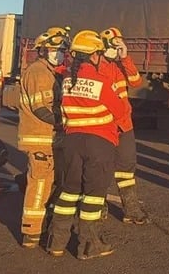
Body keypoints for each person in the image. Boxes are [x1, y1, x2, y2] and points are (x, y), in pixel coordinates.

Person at [44, 30, 125, 259]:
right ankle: (89, 246)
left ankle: (56, 243)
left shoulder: (68, 79)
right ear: (94, 55)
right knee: (93, 195)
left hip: (72, 142)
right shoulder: (101, 81)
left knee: (68, 192)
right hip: (99, 144)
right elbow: (120, 111)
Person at [16, 26, 70, 248]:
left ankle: (40, 226)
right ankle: (31, 233)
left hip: (49, 138)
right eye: (54, 49)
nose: (59, 54)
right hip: (40, 138)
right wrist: (63, 120)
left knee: (50, 182)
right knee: (40, 184)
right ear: (42, 50)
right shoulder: (38, 72)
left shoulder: (48, 71)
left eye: (62, 50)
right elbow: (41, 108)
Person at [99, 27, 150, 224]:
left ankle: (131, 209)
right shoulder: (96, 67)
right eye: (113, 45)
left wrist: (125, 57)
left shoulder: (120, 65)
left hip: (124, 125)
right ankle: (98, 206)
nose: (116, 48)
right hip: (104, 126)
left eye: (119, 44)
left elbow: (136, 82)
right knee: (101, 168)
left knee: (127, 166)